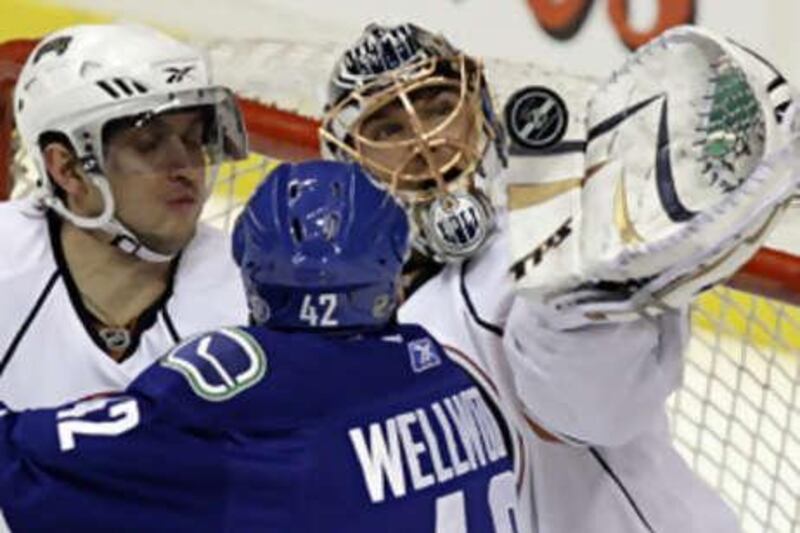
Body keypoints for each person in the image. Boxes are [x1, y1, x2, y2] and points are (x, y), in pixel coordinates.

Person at [320, 23, 798, 532]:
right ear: (348, 159)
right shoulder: (366, 327)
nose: (425, 139)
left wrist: (584, 296)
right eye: (387, 130)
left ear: (479, 111)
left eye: (439, 106)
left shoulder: (551, 235)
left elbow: (597, 412)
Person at [0, 160, 527, 533]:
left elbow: (29, 464)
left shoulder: (243, 395)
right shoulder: (447, 374)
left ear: (248, 268)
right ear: (393, 271)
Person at [0, 24, 250, 409]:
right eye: (149, 144)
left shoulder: (248, 292)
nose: (186, 167)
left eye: (193, 139)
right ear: (67, 168)